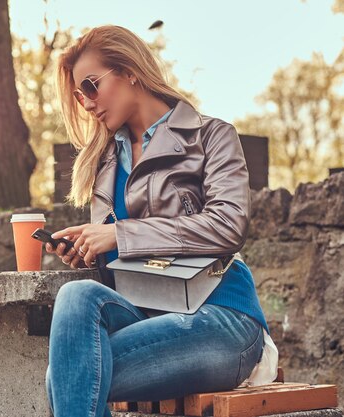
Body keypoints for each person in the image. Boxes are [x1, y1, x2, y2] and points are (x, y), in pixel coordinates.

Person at [43, 25, 278, 417]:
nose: (86, 102)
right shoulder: (103, 165)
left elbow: (228, 224)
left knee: (65, 377)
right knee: (76, 297)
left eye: (91, 85)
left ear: (129, 70)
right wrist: (90, 250)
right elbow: (127, 259)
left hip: (220, 316)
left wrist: (119, 234)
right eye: (79, 95)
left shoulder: (210, 136)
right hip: (145, 314)